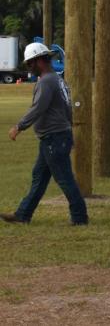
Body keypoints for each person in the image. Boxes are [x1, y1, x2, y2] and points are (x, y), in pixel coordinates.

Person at [3, 43, 88, 226]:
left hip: (54, 138)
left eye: (29, 64)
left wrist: (19, 126)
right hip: (55, 137)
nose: (29, 68)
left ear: (39, 60)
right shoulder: (58, 80)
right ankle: (23, 215)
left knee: (64, 179)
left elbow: (38, 108)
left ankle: (80, 218)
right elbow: (67, 109)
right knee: (39, 178)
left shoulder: (46, 81)